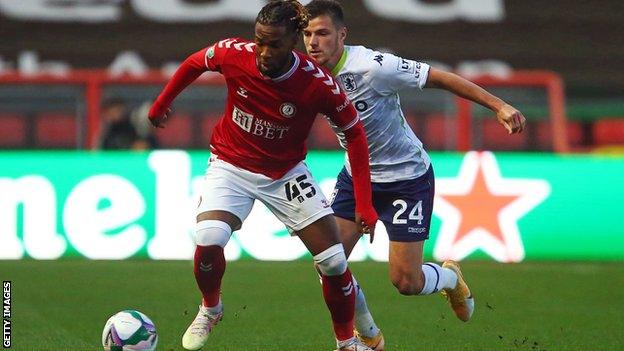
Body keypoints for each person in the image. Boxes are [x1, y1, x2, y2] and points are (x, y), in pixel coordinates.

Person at [147, 1, 379, 350]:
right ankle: (210, 308)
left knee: (333, 261)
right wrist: (162, 102)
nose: (264, 52)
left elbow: (356, 135)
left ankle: (346, 343)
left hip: (285, 174)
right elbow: (196, 62)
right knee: (209, 234)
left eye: (274, 44)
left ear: (294, 42)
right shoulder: (233, 53)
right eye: (260, 41)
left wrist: (364, 202)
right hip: (230, 163)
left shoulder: (318, 84)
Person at [302, 1, 527, 349]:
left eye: (322, 33)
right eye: (307, 34)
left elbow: (440, 77)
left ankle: (450, 277)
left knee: (406, 281)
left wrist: (499, 105)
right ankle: (369, 335)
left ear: (342, 35)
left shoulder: (374, 67)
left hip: (407, 180)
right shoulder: (305, 71)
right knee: (329, 263)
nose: (313, 42)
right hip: (357, 177)